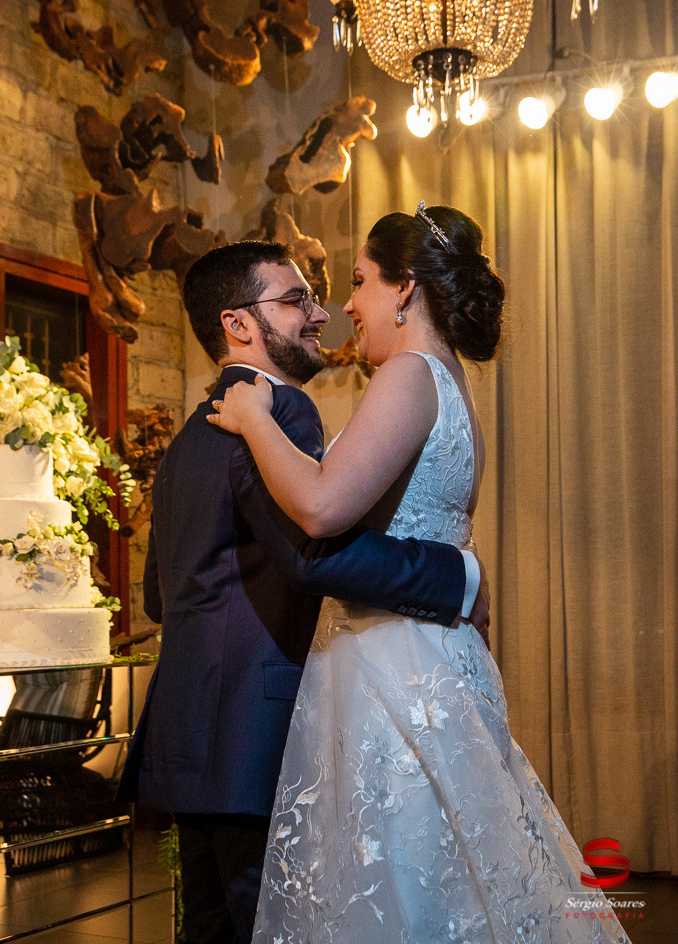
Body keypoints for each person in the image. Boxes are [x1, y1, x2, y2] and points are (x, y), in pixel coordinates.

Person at [209, 206, 631, 944]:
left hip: (394, 669)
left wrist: (252, 418)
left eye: (359, 282)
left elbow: (321, 506)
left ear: (404, 288)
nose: (346, 305)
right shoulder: (449, 383)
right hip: (429, 656)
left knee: (400, 879)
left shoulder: (408, 374)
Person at [117, 238, 490, 944]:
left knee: (208, 929)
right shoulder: (280, 413)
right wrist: (456, 577)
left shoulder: (188, 438)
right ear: (238, 323)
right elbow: (312, 556)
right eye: (295, 300)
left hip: (187, 732)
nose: (320, 314)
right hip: (255, 732)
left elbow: (160, 599)